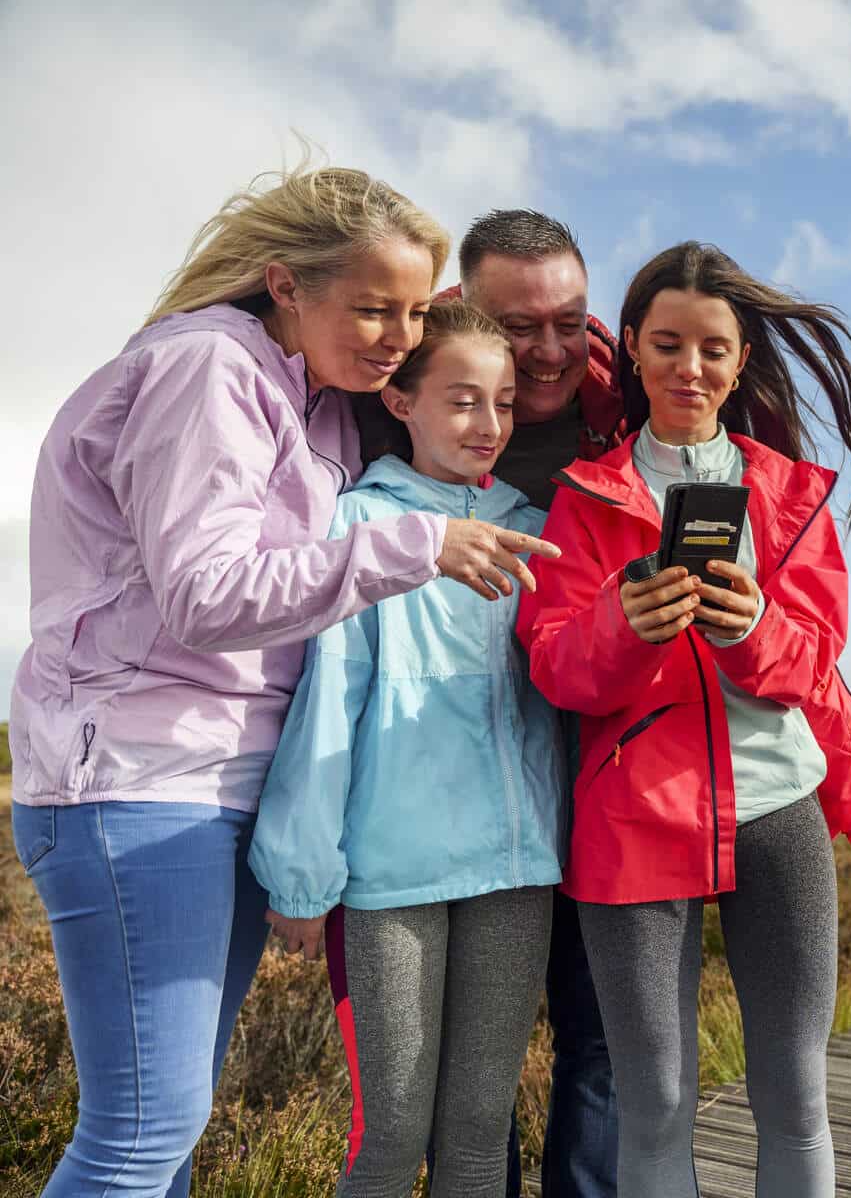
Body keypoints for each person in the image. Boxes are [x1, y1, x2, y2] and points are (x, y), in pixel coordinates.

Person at [6, 164, 559, 1198]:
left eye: (410, 310)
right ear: (285, 285)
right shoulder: (208, 366)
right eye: (370, 307)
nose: (395, 334)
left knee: (166, 1133)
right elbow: (206, 598)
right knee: (136, 1137)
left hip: (214, 786)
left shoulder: (320, 403)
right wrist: (417, 547)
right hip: (133, 778)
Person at [518, 241, 851, 1198]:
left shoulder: (791, 496)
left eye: (711, 349)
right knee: (654, 1103)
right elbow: (558, 669)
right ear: (627, 347)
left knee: (795, 1092)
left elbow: (815, 660)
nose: (688, 369)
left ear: (740, 360)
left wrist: (752, 631)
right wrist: (623, 627)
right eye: (665, 345)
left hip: (778, 807)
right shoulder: (580, 502)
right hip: (633, 821)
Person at [250, 300, 565, 1196]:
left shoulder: (538, 526)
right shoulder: (357, 526)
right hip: (392, 880)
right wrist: (304, 877)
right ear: (402, 403)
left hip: (515, 876)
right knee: (389, 1136)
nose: (489, 424)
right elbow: (325, 706)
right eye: (463, 400)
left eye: (503, 403)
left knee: (476, 1135)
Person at [355, 208, 623, 1198]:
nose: (548, 353)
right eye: (518, 330)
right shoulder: (376, 485)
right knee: (420, 1123)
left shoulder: (617, 423)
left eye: (569, 322)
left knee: (567, 1071)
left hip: (562, 829)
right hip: (411, 853)